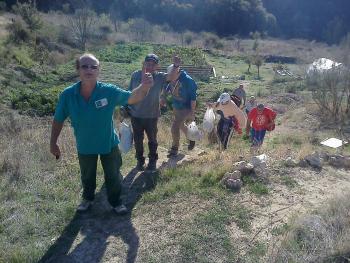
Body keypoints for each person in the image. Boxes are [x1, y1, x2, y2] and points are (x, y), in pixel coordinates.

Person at [50, 53, 154, 214]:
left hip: (108, 143)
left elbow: (133, 97)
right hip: (85, 144)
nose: (89, 69)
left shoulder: (108, 91)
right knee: (87, 176)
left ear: (99, 70)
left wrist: (145, 86)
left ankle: (116, 202)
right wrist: (53, 142)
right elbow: (58, 119)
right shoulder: (68, 95)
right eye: (84, 66)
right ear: (78, 69)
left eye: (94, 66)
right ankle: (88, 199)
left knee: (113, 175)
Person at [128, 54, 180, 171]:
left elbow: (172, 77)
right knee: (138, 140)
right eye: (148, 63)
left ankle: (152, 161)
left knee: (152, 139)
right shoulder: (135, 75)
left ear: (157, 66)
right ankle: (140, 160)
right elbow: (129, 92)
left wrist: (176, 65)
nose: (150, 66)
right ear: (144, 63)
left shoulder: (160, 77)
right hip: (136, 114)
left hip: (152, 115)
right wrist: (126, 107)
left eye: (153, 64)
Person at [166, 64, 198, 157]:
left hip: (186, 107)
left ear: (177, 72)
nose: (170, 76)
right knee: (180, 125)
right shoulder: (172, 78)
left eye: (172, 74)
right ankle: (191, 138)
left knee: (174, 127)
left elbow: (193, 98)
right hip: (176, 106)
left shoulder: (188, 81)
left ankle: (174, 149)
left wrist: (192, 112)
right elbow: (168, 88)